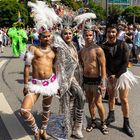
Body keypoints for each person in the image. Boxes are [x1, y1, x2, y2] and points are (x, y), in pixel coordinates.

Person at [19, 31, 59, 140]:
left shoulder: (54, 50)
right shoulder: (32, 49)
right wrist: (26, 84)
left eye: (48, 36)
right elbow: (27, 67)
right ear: (39, 37)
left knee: (46, 109)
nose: (46, 38)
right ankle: (36, 130)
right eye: (44, 36)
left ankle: (43, 130)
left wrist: (58, 83)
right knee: (24, 110)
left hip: (50, 83)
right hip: (35, 84)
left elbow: (55, 67)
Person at [102, 24, 137, 137]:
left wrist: (116, 76)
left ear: (116, 33)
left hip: (121, 75)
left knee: (124, 99)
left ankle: (126, 123)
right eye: (109, 32)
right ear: (106, 33)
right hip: (110, 75)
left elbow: (125, 63)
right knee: (111, 96)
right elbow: (104, 63)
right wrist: (109, 75)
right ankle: (111, 115)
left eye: (113, 32)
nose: (111, 34)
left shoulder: (123, 45)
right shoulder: (103, 46)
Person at [53, 16, 85, 139]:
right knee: (78, 98)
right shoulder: (60, 48)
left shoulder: (73, 45)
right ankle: (71, 127)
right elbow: (59, 66)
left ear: (73, 34)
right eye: (65, 33)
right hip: (66, 80)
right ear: (62, 35)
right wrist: (62, 83)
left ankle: (76, 126)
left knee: (74, 101)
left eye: (70, 33)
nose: (68, 35)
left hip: (75, 77)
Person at [79, 22, 109, 135]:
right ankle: (92, 121)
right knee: (90, 103)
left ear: (93, 36)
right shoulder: (82, 50)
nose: (88, 37)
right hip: (86, 80)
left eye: (90, 35)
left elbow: (103, 66)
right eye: (86, 35)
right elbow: (79, 63)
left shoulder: (98, 49)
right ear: (83, 36)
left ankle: (103, 123)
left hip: (96, 80)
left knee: (98, 103)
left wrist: (103, 82)